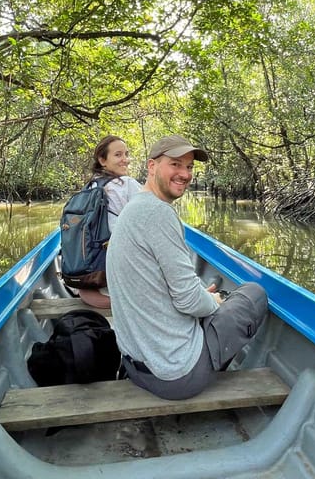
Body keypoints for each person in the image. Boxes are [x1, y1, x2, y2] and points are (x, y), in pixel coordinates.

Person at [106, 134, 268, 400]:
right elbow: (189, 302)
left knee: (207, 299)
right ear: (152, 166)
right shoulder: (159, 213)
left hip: (136, 367)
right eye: (175, 164)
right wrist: (213, 302)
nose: (184, 174)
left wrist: (202, 298)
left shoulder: (133, 207)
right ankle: (210, 364)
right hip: (175, 375)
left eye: (189, 167)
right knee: (253, 293)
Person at [76, 135, 142, 309]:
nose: (125, 160)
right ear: (102, 160)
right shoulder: (127, 184)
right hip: (117, 270)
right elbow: (149, 222)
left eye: (126, 154)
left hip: (90, 275)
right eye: (118, 155)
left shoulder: (89, 187)